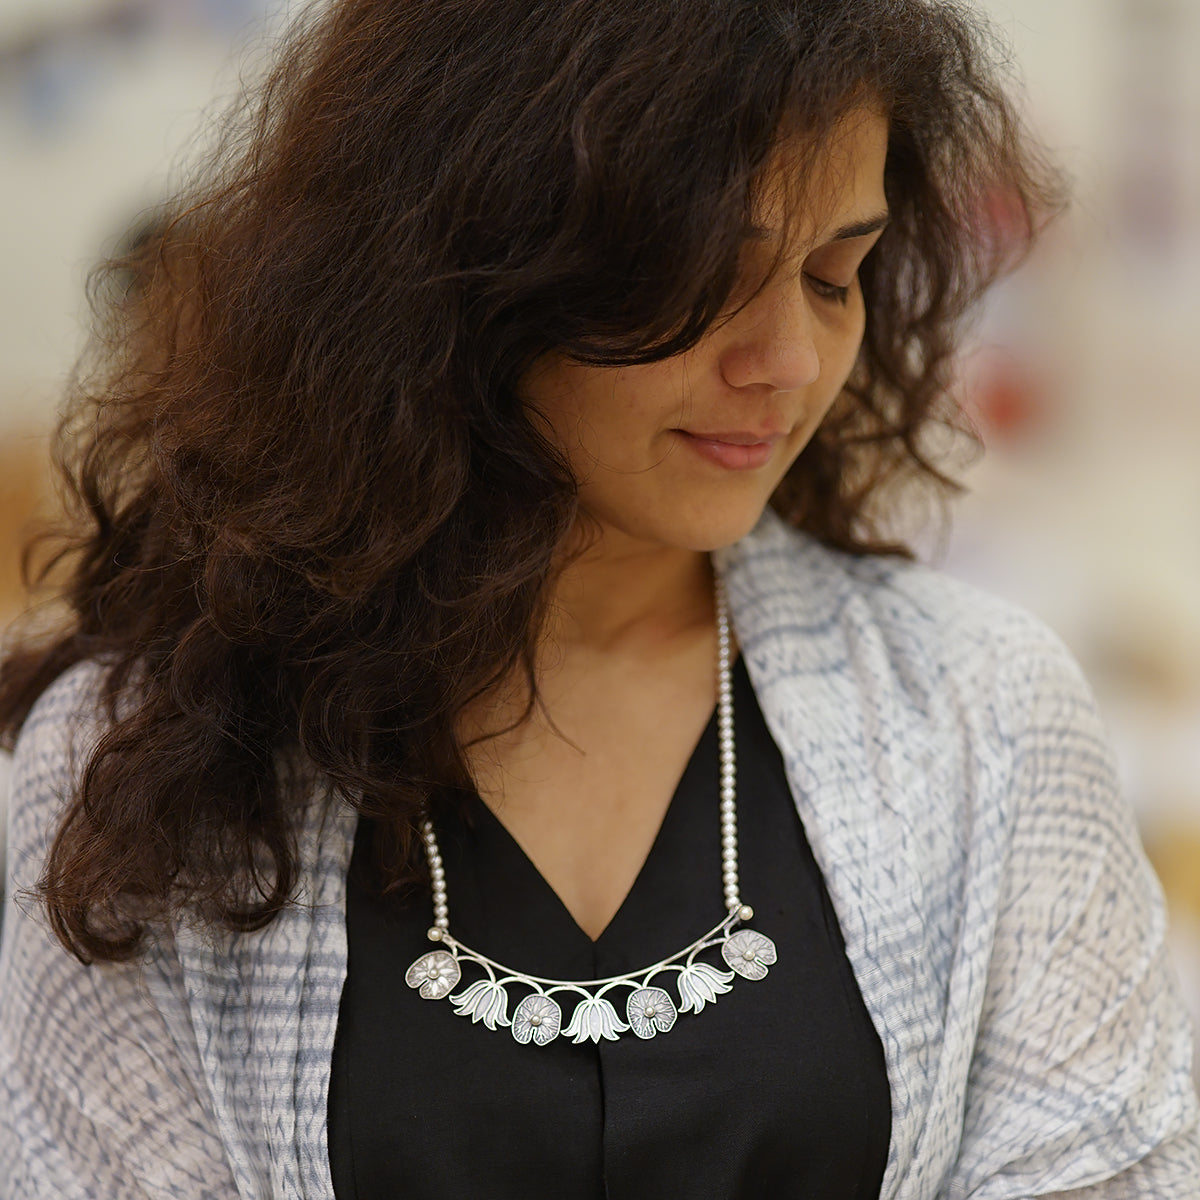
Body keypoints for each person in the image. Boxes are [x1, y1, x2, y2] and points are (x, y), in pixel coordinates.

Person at [1, 0, 1197, 1196]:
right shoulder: (135, 759)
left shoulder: (981, 714)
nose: (785, 358)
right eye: (706, 275)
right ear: (467, 268)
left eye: (836, 275)